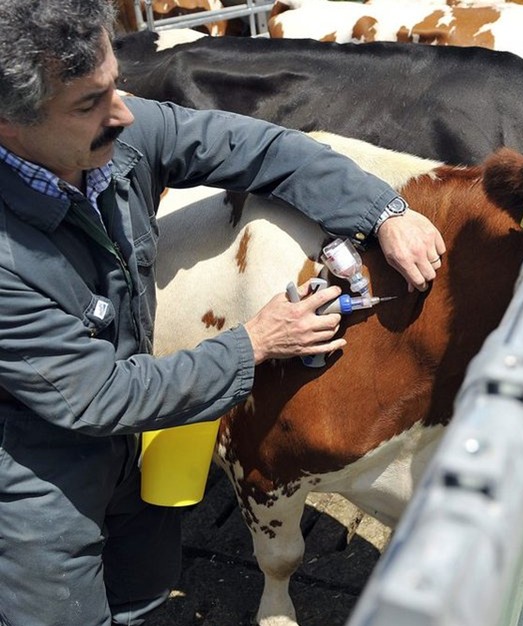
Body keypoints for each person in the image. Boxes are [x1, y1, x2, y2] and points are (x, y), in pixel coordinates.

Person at [0, 2, 446, 624]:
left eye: (115, 84)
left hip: (134, 452)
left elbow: (256, 146)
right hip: (38, 482)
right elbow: (95, 397)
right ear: (9, 124)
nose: (123, 113)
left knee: (142, 593)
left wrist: (381, 210)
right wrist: (256, 342)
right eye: (88, 104)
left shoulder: (120, 136)